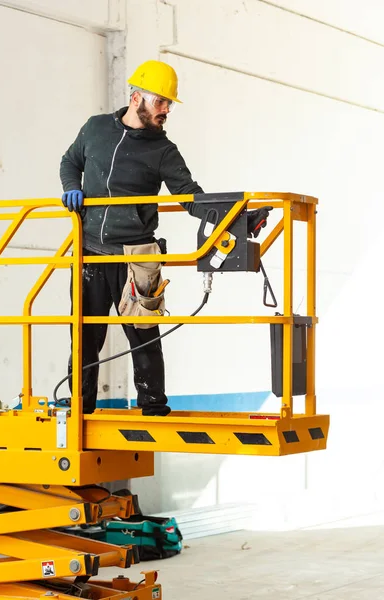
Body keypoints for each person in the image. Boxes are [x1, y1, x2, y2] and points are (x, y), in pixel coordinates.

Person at [60, 60, 270, 417]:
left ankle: (153, 406)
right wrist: (71, 188)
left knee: (143, 333)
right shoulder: (95, 130)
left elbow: (190, 195)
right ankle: (82, 402)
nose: (167, 110)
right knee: (83, 334)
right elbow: (70, 161)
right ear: (137, 97)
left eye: (169, 104)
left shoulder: (163, 151)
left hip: (137, 254)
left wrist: (237, 217)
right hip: (91, 252)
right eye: (162, 102)